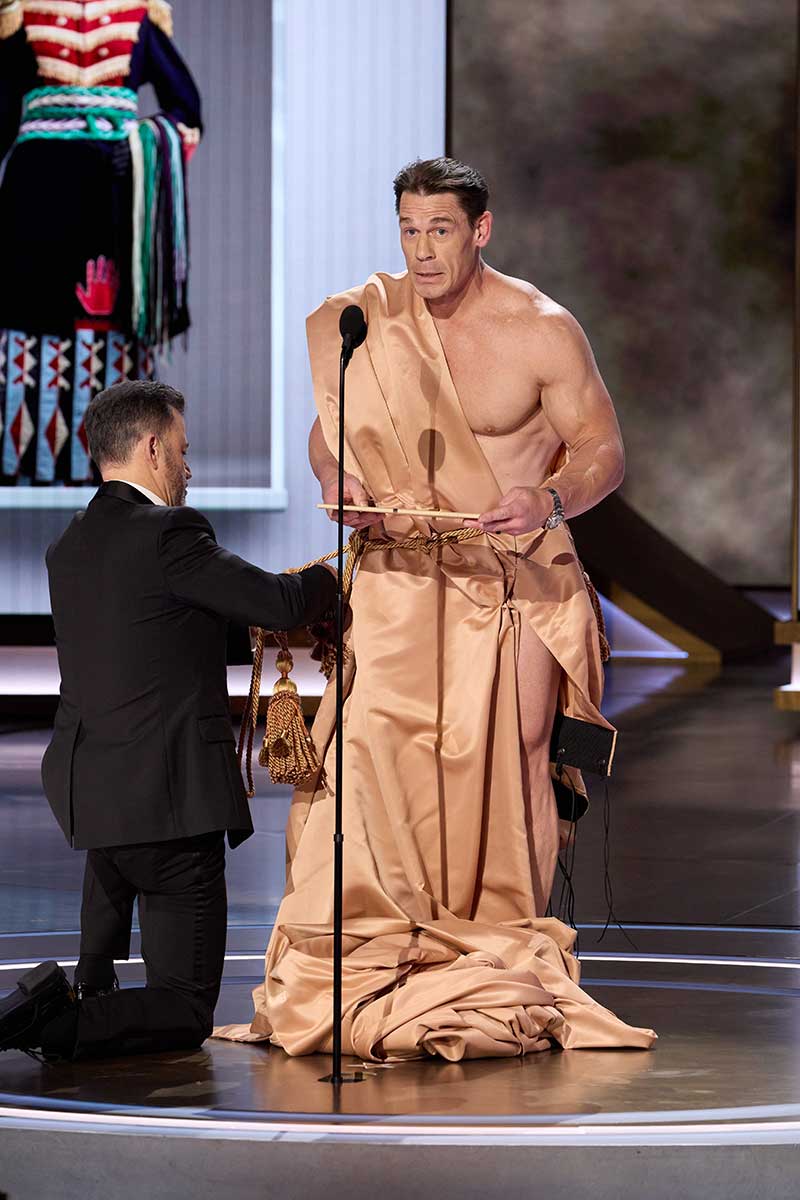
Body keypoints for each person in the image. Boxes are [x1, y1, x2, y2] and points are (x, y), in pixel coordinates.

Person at [216, 158, 655, 1061]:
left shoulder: (541, 328)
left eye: (440, 230)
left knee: (515, 765)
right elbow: (327, 430)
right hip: (400, 578)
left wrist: (551, 500)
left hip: (516, 579)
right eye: (409, 230)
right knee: (368, 757)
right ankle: (385, 937)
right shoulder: (371, 320)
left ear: (481, 230)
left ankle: (514, 946)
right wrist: (337, 482)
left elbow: (602, 447)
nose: (420, 251)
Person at [0, 380, 337, 1060]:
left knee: (109, 991)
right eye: (183, 451)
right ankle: (40, 1020)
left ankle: (62, 1000)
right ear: (153, 448)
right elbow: (276, 601)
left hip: (94, 798)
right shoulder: (172, 534)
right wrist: (335, 581)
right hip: (168, 804)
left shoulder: (71, 545)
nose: (190, 468)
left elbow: (151, 636)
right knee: (184, 1007)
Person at [0, 0, 201, 484]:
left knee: (112, 323)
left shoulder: (137, 15)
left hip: (114, 201)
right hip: (34, 202)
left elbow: (188, 111)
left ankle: (123, 473)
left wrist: (140, 146)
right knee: (26, 322)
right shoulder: (21, 13)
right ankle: (26, 468)